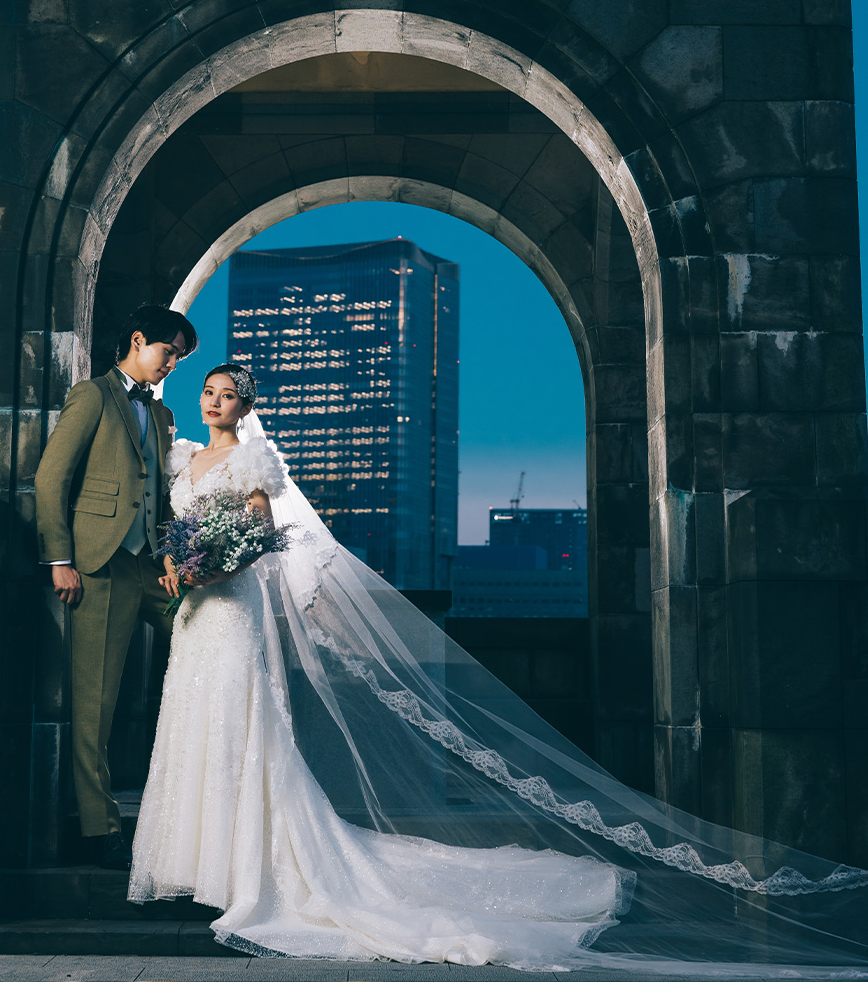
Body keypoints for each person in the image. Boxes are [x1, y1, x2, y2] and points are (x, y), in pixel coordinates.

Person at [130, 364, 868, 973]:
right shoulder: (183, 455)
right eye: (210, 391)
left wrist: (215, 563)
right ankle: (197, 861)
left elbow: (262, 531)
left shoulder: (254, 460)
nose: (215, 401)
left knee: (241, 729)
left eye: (228, 395)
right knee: (193, 724)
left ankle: (246, 868)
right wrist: (177, 564)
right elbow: (176, 528)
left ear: (246, 406)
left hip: (236, 610)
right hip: (195, 615)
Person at [34, 303, 197, 869]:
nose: (172, 365)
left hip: (152, 564)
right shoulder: (93, 396)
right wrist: (60, 558)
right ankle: (98, 826)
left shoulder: (161, 414)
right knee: (95, 701)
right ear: (136, 339)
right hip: (98, 564)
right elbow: (51, 476)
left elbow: (161, 493)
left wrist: (181, 555)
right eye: (168, 353)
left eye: (179, 358)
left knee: (213, 628)